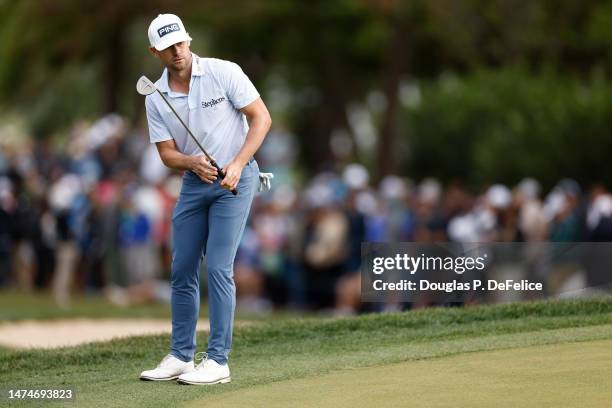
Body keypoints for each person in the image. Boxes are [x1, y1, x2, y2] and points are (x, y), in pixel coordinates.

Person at [139, 14, 272, 385]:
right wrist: (190, 161)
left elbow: (261, 118)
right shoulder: (156, 95)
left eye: (181, 43)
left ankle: (218, 361)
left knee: (218, 267)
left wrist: (238, 163)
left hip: (236, 179)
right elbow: (167, 154)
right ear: (155, 51)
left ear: (189, 40)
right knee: (181, 268)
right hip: (196, 182)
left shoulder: (223, 72)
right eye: (168, 47)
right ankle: (181, 356)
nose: (177, 51)